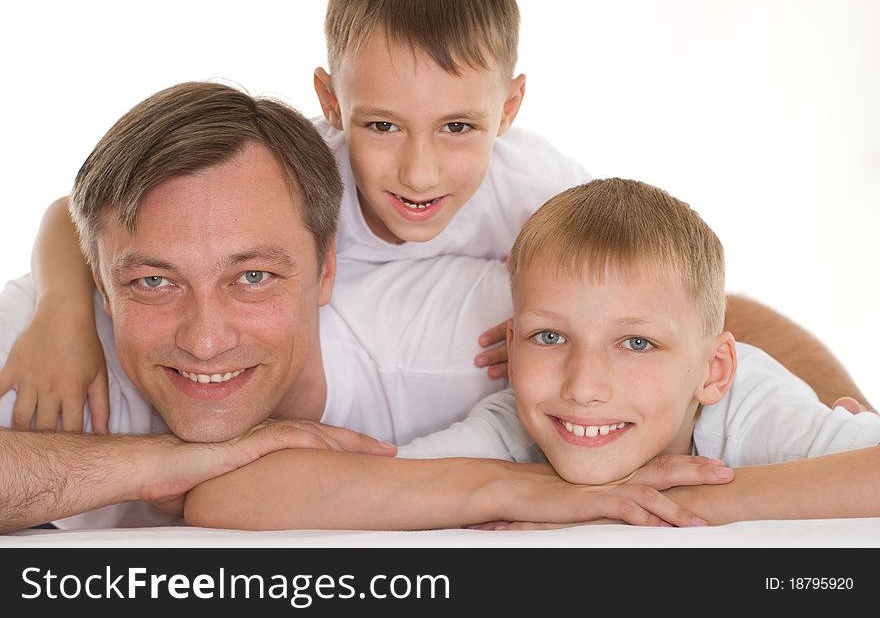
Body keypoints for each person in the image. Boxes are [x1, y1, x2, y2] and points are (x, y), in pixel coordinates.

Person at [0, 0, 870, 437]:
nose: (418, 175)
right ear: (333, 103)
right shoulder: (299, 171)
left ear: (510, 110)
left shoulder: (534, 189)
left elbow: (678, 298)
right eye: (382, 127)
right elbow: (83, 212)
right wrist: (67, 314)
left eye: (459, 129)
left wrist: (838, 399)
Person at [0, 81, 738, 534]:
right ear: (103, 283)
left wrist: (844, 404)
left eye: (252, 277)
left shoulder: (452, 331)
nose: (205, 337)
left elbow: (680, 312)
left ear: (328, 267)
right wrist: (164, 460)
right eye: (153, 283)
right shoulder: (36, 349)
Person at [188, 178, 879, 530]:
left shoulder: (748, 402)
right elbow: (225, 498)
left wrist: (684, 502)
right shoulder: (513, 428)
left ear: (713, 369)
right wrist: (526, 488)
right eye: (550, 337)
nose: (583, 386)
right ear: (510, 349)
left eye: (636, 343)